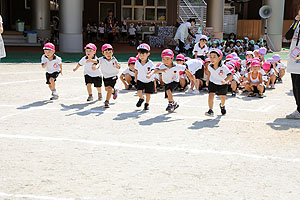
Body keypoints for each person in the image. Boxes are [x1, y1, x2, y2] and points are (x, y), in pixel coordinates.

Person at [205, 49, 233, 116]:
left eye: (214, 57)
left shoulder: (223, 67)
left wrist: (225, 80)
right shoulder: (209, 66)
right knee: (211, 95)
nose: (212, 59)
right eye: (210, 57)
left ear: (219, 58)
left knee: (222, 97)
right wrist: (207, 80)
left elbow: (230, 75)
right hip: (213, 82)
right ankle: (210, 110)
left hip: (222, 84)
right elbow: (209, 72)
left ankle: (222, 105)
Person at [285, 5, 300, 119]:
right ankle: (298, 109)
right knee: (295, 85)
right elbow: (288, 36)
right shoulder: (296, 24)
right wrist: (295, 22)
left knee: (299, 85)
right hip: (293, 59)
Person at [97, 44, 120, 108]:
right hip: (106, 77)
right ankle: (114, 91)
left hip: (113, 76)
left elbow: (118, 66)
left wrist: (117, 66)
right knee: (107, 89)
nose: (108, 54)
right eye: (106, 52)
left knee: (109, 88)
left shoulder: (114, 59)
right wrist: (95, 66)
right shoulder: (101, 59)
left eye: (110, 52)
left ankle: (107, 101)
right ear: (103, 53)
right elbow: (97, 62)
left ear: (112, 52)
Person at [134, 43, 155, 111]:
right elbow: (136, 70)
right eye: (140, 54)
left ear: (148, 54)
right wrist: (135, 77)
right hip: (140, 79)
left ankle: (146, 104)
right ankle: (141, 98)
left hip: (149, 81)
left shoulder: (150, 63)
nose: (141, 56)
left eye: (143, 54)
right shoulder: (137, 62)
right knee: (139, 92)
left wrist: (150, 75)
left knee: (148, 94)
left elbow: (153, 70)